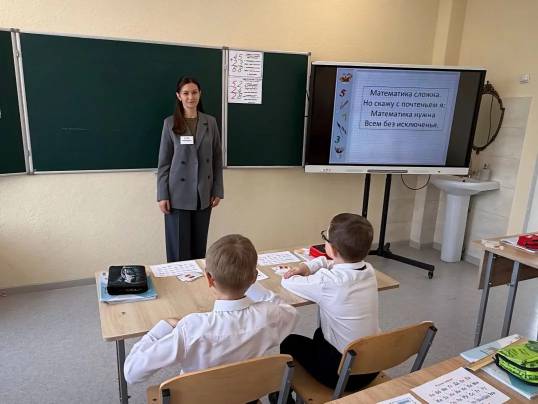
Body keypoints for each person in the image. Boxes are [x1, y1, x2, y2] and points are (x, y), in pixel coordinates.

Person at [123, 234, 298, 385]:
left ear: (209, 278)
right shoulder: (269, 314)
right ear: (254, 278)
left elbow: (131, 373)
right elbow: (291, 312)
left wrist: (164, 326)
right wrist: (250, 282)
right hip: (247, 395)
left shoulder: (191, 328)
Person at [279, 213, 380, 392]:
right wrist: (307, 266)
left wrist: (299, 270)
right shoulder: (368, 270)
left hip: (342, 374)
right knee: (319, 333)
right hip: (372, 365)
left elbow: (287, 281)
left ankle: (282, 396)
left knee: (289, 342)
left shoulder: (327, 282)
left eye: (325, 238)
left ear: (332, 249)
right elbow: (330, 263)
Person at [157, 76, 223, 262]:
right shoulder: (170, 123)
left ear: (200, 94)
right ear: (178, 96)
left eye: (194, 92)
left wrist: (217, 190)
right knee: (178, 250)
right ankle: (179, 280)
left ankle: (198, 280)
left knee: (199, 249)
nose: (190, 97)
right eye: (186, 93)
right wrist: (162, 195)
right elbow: (164, 163)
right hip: (177, 195)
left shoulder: (210, 122)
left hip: (204, 193)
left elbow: (217, 159)